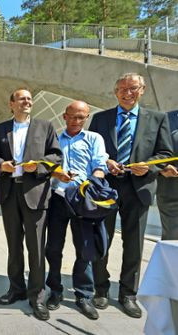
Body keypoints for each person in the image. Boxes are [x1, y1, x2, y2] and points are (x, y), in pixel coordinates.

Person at [88, 73, 173, 318]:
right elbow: (95, 151)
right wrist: (107, 161)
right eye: (123, 89)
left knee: (134, 244)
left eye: (133, 88)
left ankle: (128, 294)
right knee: (101, 240)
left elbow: (164, 153)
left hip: (139, 189)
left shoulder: (157, 119)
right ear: (115, 92)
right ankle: (100, 289)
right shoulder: (100, 119)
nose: (128, 93)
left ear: (142, 90)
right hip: (107, 188)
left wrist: (150, 166)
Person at [0, 88, 62, 321]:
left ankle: (37, 297)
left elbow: (56, 157)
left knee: (36, 248)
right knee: (14, 246)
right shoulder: (0, 129)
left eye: (29, 99)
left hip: (35, 192)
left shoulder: (46, 126)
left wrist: (39, 166)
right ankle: (16, 289)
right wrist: (2, 165)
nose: (27, 101)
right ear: (11, 104)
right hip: (10, 193)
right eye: (21, 98)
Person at [45, 101, 108, 320]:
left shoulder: (94, 139)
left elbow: (100, 166)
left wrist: (91, 184)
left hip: (83, 201)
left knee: (85, 250)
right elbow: (46, 166)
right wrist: (57, 174)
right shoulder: (53, 140)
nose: (77, 121)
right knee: (53, 248)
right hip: (58, 200)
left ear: (87, 117)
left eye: (82, 117)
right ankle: (54, 290)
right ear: (64, 116)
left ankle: (84, 295)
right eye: (73, 116)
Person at [156, 110, 178, 240]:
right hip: (171, 193)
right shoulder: (165, 119)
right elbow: (149, 148)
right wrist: (162, 167)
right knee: (172, 242)